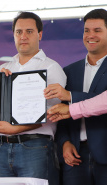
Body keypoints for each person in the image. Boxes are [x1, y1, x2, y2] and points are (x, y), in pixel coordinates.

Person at [0, 11, 66, 185]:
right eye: (18, 32)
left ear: (40, 34)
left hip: (35, 147)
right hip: (1, 146)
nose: (23, 36)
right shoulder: (4, 68)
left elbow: (53, 112)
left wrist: (15, 129)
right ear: (13, 35)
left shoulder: (51, 68)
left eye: (29, 31)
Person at [44, 9, 107, 185]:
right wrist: (64, 143)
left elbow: (101, 102)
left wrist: (71, 96)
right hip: (75, 157)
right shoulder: (70, 71)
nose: (90, 35)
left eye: (97, 30)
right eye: (86, 30)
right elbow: (61, 112)